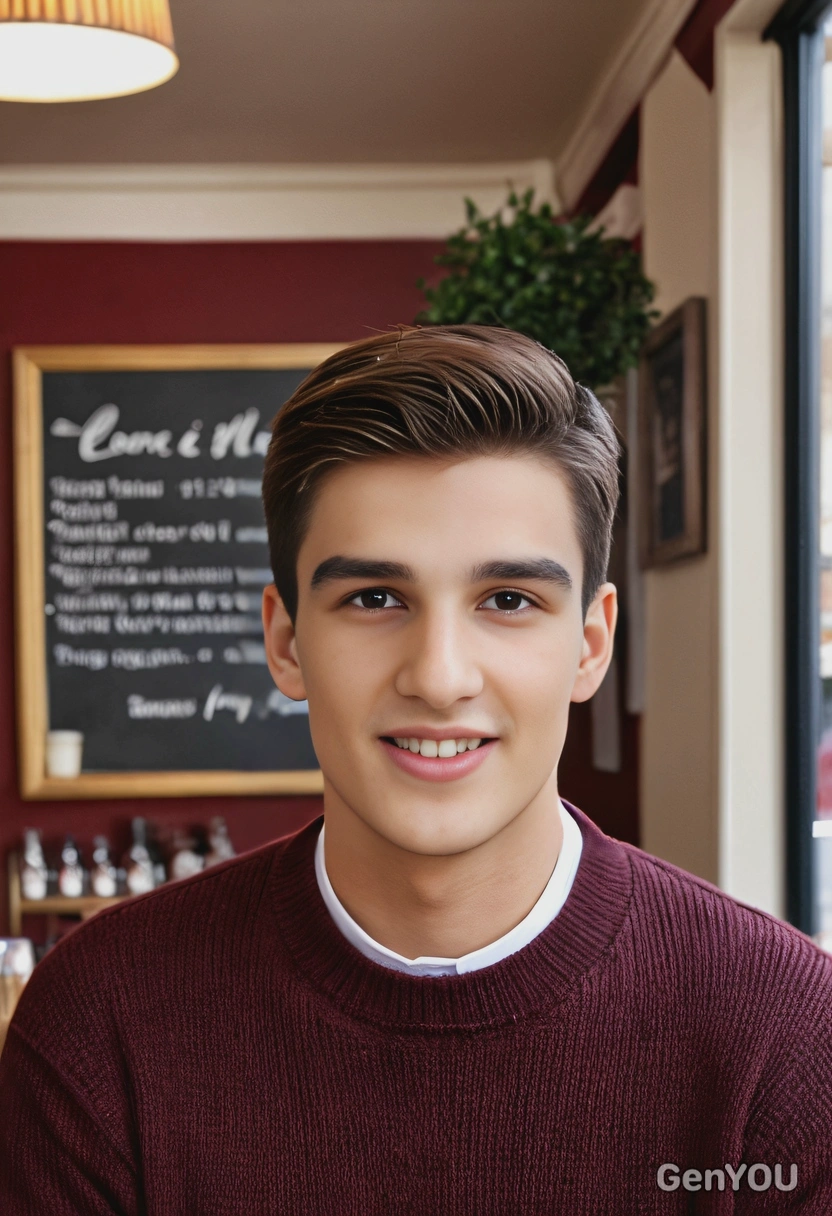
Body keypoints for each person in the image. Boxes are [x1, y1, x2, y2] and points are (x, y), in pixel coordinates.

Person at [1, 324, 830, 1213]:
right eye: (374, 598)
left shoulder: (784, 1035)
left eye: (508, 600)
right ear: (285, 641)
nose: (439, 677)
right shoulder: (100, 1022)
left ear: (590, 644)